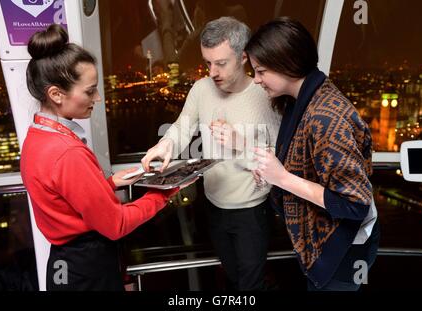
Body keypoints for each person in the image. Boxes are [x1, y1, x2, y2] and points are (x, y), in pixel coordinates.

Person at [20, 24, 194, 291]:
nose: (98, 98)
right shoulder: (67, 152)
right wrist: (164, 192)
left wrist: (109, 184)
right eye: (90, 91)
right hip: (88, 269)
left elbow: (62, 198)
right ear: (56, 94)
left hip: (63, 264)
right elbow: (116, 225)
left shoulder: (36, 138)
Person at [141, 17, 281, 290]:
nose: (212, 72)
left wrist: (239, 143)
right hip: (213, 206)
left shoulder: (265, 95)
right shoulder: (201, 89)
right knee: (231, 277)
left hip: (252, 212)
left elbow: (279, 158)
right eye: (208, 63)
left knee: (250, 286)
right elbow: (182, 127)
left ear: (243, 57)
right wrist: (163, 146)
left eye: (221, 63)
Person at [245, 17, 380, 291]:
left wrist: (281, 177)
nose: (256, 80)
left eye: (260, 71)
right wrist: (274, 168)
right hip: (329, 244)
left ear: (287, 61)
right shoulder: (303, 102)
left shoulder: (326, 117)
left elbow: (355, 203)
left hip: (342, 253)